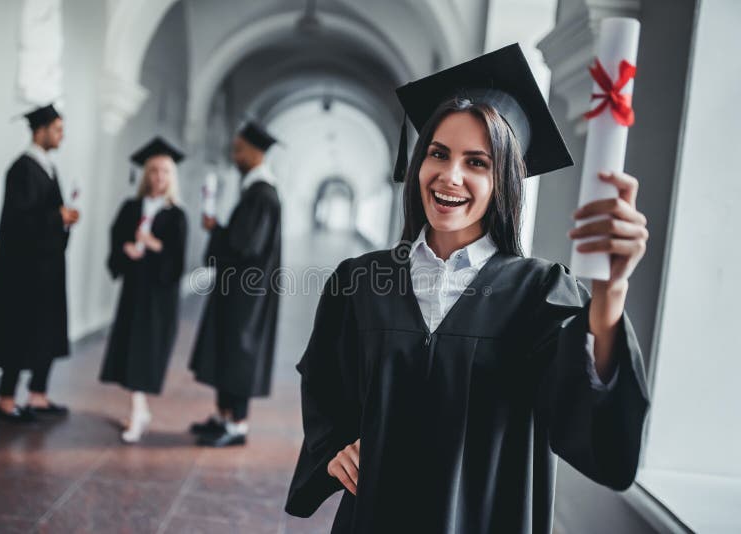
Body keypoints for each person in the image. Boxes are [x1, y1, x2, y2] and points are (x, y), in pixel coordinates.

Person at [285, 44, 650, 533]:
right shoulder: (359, 281)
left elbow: (585, 415)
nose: (449, 175)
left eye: (477, 162)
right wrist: (332, 449)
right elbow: (327, 385)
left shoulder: (541, 292)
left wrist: (610, 294)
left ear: (506, 181)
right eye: (438, 153)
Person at [0, 104, 79, 424]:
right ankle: (6, 401)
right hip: (23, 271)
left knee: (45, 331)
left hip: (47, 268)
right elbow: (19, 220)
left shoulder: (48, 168)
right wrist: (57, 217)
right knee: (18, 332)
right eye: (57, 129)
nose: (62, 136)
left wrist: (64, 221)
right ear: (40, 130)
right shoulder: (22, 169)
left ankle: (38, 395)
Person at [189, 121, 282, 447]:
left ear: (257, 153)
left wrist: (216, 231)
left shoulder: (263, 194)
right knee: (227, 349)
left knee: (240, 351)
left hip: (248, 293)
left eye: (239, 149)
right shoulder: (254, 191)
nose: (235, 155)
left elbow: (246, 246)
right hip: (238, 287)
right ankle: (223, 416)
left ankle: (237, 424)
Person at [99, 137, 188, 443]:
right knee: (129, 350)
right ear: (146, 174)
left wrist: (154, 245)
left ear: (171, 177)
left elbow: (177, 260)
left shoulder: (176, 215)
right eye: (153, 171)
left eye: (164, 172)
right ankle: (139, 409)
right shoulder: (131, 207)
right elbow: (117, 238)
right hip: (134, 291)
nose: (158, 177)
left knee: (144, 353)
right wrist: (126, 248)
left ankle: (138, 413)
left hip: (158, 298)